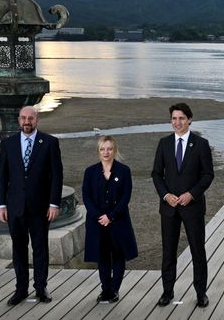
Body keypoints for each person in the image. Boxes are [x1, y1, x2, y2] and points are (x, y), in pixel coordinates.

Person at [0, 105, 63, 306]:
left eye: (30, 118)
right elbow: (2, 178)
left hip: (41, 207)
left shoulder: (50, 142)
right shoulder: (8, 144)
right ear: (18, 120)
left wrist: (54, 203)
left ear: (37, 120)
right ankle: (21, 289)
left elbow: (56, 176)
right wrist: (1, 205)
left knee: (40, 248)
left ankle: (41, 288)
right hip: (15, 207)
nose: (27, 122)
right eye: (23, 118)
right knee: (19, 249)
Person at [151, 103, 214, 308]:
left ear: (189, 120)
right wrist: (165, 195)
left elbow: (207, 175)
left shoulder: (201, 144)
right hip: (169, 208)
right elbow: (156, 174)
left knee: (198, 251)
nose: (177, 122)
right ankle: (167, 292)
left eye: (181, 118)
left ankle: (201, 293)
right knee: (168, 252)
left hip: (192, 207)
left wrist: (192, 194)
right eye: (174, 118)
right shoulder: (164, 143)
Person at [82, 136, 138, 303]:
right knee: (102, 256)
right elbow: (86, 196)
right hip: (97, 222)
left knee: (118, 255)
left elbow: (125, 197)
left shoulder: (124, 171)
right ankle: (105, 289)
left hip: (118, 220)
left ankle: (114, 289)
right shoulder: (90, 172)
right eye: (102, 149)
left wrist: (111, 216)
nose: (106, 152)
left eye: (109, 149)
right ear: (98, 151)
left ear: (115, 150)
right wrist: (99, 217)